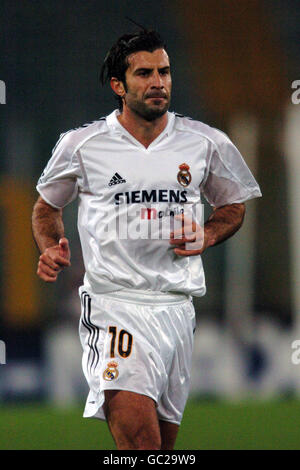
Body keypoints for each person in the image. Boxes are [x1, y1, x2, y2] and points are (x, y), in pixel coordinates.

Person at [32, 29, 262, 450]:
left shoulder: (206, 141)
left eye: (165, 71)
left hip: (176, 309)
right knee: (141, 445)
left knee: (161, 448)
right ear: (119, 86)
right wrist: (50, 247)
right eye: (144, 73)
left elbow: (233, 206)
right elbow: (46, 208)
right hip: (113, 305)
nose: (158, 82)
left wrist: (207, 234)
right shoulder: (83, 145)